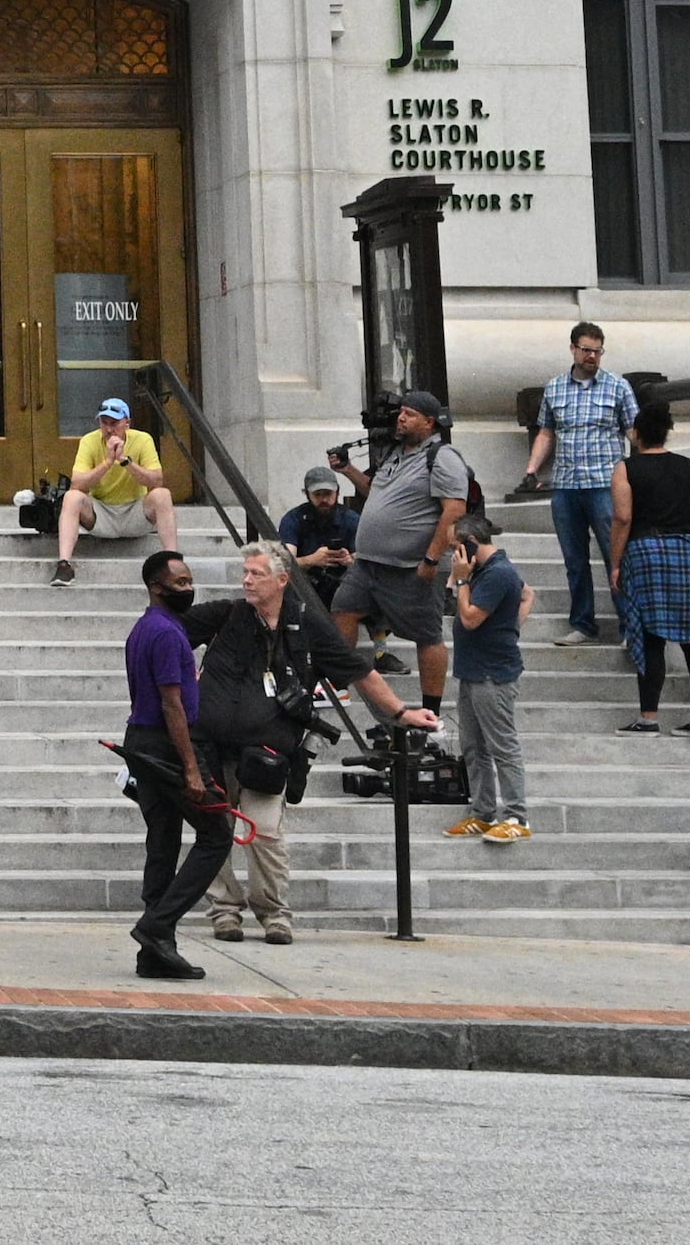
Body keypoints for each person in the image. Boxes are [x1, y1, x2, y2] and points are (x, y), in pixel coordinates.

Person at [192, 541, 436, 955]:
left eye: (256, 574)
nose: (247, 581)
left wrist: (400, 712)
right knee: (214, 830)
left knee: (265, 833)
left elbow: (358, 670)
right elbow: (165, 631)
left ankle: (274, 913)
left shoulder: (306, 623)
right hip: (213, 746)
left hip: (268, 753)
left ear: (282, 580)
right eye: (245, 572)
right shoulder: (227, 614)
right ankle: (224, 910)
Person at [116, 551, 220, 977]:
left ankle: (154, 954)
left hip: (142, 741)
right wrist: (192, 768)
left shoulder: (147, 627)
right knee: (216, 835)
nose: (189, 589)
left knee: (163, 841)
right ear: (156, 587)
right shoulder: (165, 633)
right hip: (164, 744)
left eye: (189, 581)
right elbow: (171, 703)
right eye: (180, 583)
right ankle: (157, 927)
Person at [333, 388, 471, 706]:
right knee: (343, 609)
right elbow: (375, 491)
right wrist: (348, 469)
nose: (401, 418)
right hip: (369, 564)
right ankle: (338, 685)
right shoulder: (395, 454)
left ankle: (431, 713)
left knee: (427, 636)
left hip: (412, 566)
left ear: (429, 422)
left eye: (410, 414)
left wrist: (431, 559)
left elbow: (454, 510)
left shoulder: (443, 457)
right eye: (401, 412)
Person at [612, 398, 690, 733]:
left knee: (651, 636)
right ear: (667, 432)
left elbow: (622, 517)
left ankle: (649, 717)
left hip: (645, 552)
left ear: (637, 434)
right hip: (686, 551)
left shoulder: (626, 469)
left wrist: (616, 563)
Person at [527, 320, 639, 642]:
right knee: (574, 560)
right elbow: (547, 432)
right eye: (587, 350)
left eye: (598, 351)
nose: (592, 356)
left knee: (616, 555)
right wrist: (532, 467)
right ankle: (582, 624)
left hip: (606, 484)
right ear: (573, 349)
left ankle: (630, 627)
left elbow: (634, 431)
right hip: (566, 486)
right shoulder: (554, 388)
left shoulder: (618, 386)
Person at [445, 513, 532, 845]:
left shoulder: (497, 573)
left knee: (502, 746)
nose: (451, 555)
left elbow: (469, 619)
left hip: (492, 674)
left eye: (454, 547)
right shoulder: (484, 571)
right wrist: (509, 625)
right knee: (473, 746)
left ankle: (516, 816)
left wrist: (461, 581)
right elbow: (528, 595)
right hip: (472, 670)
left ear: (470, 543)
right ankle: (482, 813)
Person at [50, 396, 180, 585]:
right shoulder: (89, 441)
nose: (109, 429)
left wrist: (126, 462)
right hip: (101, 514)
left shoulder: (143, 440)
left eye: (114, 423)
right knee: (72, 497)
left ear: (127, 423)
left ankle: (173, 563)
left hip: (135, 513)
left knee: (162, 495)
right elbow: (77, 483)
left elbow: (156, 480)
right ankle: (64, 565)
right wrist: (107, 463)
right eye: (104, 422)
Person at [277, 467, 359, 608]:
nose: (324, 499)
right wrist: (311, 560)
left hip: (343, 589)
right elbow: (283, 564)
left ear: (337, 492)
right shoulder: (294, 519)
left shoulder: (351, 520)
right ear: (307, 494)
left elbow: (365, 563)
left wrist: (349, 561)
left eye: (328, 493)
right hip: (304, 590)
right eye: (317, 494)